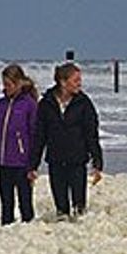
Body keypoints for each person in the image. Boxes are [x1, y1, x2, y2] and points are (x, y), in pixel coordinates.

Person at [30, 62, 103, 221]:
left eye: (80, 80)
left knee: (79, 208)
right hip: (55, 161)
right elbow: (39, 137)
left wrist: (97, 164)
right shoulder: (46, 103)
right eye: (76, 80)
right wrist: (33, 166)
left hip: (77, 161)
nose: (80, 84)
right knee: (61, 209)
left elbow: (92, 135)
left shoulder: (84, 103)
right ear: (63, 82)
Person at [0, 64, 39, 225]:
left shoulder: (29, 105)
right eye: (4, 84)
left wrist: (32, 165)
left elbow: (34, 136)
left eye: (9, 85)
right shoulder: (0, 105)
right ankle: (6, 234)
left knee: (25, 204)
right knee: (6, 204)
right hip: (3, 163)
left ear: (19, 83)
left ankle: (29, 234)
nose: (5, 88)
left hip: (22, 164)